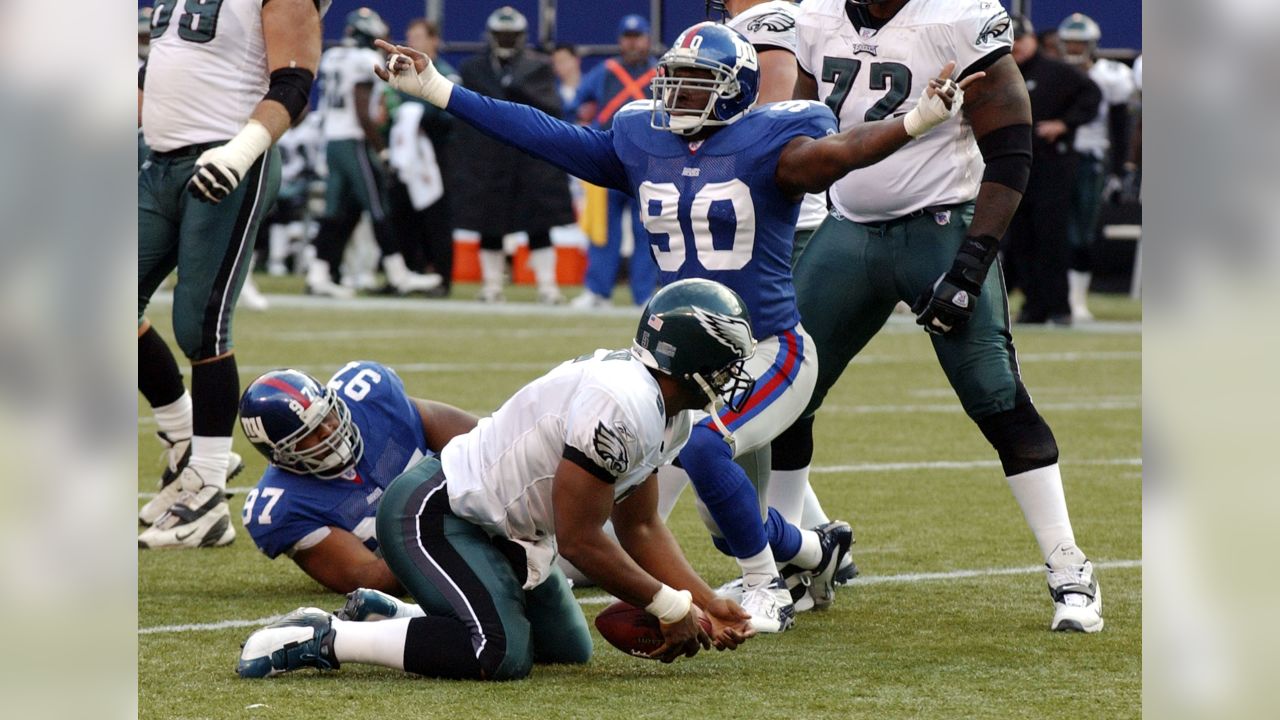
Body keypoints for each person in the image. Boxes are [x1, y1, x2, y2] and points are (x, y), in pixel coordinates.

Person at [370, 20, 968, 631]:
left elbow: (837, 155)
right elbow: (545, 135)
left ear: (734, 91)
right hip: (674, 361)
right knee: (631, 537)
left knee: (707, 451)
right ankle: (816, 550)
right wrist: (440, 90)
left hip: (766, 348)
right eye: (674, 83)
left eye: (695, 85)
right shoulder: (642, 138)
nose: (677, 98)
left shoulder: (772, 139)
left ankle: (768, 588)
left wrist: (914, 122)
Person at [237, 279, 759, 680]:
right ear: (692, 357)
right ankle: (328, 637)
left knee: (565, 651)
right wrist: (667, 605)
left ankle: (391, 614)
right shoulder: (624, 403)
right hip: (444, 510)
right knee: (498, 654)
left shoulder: (669, 414)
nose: (733, 373)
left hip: (510, 528)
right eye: (726, 361)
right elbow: (579, 538)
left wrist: (702, 599)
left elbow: (640, 525)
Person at [783, 0, 1103, 632]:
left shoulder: (956, 16)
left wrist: (971, 264)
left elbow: (1011, 151)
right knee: (784, 390)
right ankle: (792, 560)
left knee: (995, 395)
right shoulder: (815, 17)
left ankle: (1070, 567)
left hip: (939, 227)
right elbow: (790, 134)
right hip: (848, 230)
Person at [137, 0, 324, 549]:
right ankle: (181, 442)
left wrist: (240, 153)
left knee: (200, 322)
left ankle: (208, 492)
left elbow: (294, 81)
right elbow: (165, 72)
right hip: (160, 162)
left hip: (227, 159)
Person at [237, 362, 477, 593]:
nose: (329, 430)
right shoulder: (284, 505)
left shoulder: (371, 398)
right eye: (310, 433)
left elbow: (481, 446)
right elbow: (370, 577)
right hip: (447, 545)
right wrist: (465, 539)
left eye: (326, 415)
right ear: (281, 454)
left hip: (479, 502)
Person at [306, 8, 442, 299]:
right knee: (378, 207)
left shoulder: (332, 56)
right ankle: (398, 274)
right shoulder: (364, 60)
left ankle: (317, 274)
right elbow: (361, 110)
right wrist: (382, 151)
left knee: (333, 211)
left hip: (331, 140)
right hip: (352, 141)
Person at [452, 6, 574, 304]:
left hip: (527, 157)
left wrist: (515, 88)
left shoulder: (537, 68)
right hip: (489, 158)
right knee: (488, 223)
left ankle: (547, 286)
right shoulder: (473, 68)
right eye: (500, 35)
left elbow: (551, 108)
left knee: (539, 224)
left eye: (511, 35)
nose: (505, 40)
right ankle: (492, 285)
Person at [1005, 14, 1100, 324]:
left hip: (1052, 164)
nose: (1016, 46)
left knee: (1050, 236)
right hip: (1016, 165)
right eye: (1011, 40)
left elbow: (1091, 96)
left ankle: (1059, 306)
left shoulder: (1056, 71)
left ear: (1032, 39)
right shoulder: (1003, 73)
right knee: (1021, 237)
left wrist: (1065, 124)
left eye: (1020, 39)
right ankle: (1033, 306)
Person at [568, 14, 660, 310]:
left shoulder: (661, 72)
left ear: (647, 39)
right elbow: (574, 105)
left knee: (648, 232)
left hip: (649, 165)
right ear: (621, 40)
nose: (633, 43)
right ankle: (597, 291)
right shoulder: (605, 72)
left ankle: (644, 295)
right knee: (602, 230)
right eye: (627, 37)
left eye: (638, 37)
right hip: (607, 158)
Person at [1057, 13, 1137, 321]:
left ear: (1093, 45)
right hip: (1056, 158)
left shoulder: (1110, 75)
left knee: (1082, 231)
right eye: (1070, 43)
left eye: (1080, 43)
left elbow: (1120, 126)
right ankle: (1056, 296)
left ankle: (1077, 299)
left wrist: (1119, 169)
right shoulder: (1055, 72)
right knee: (1054, 231)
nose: (1075, 48)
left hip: (1091, 156)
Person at [385, 18, 458, 296]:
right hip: (405, 153)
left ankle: (442, 277)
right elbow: (389, 108)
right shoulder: (399, 74)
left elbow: (449, 112)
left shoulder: (446, 73)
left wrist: (421, 115)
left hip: (434, 153)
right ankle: (406, 275)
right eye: (409, 36)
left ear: (433, 41)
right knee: (402, 213)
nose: (412, 42)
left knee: (436, 216)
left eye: (418, 37)